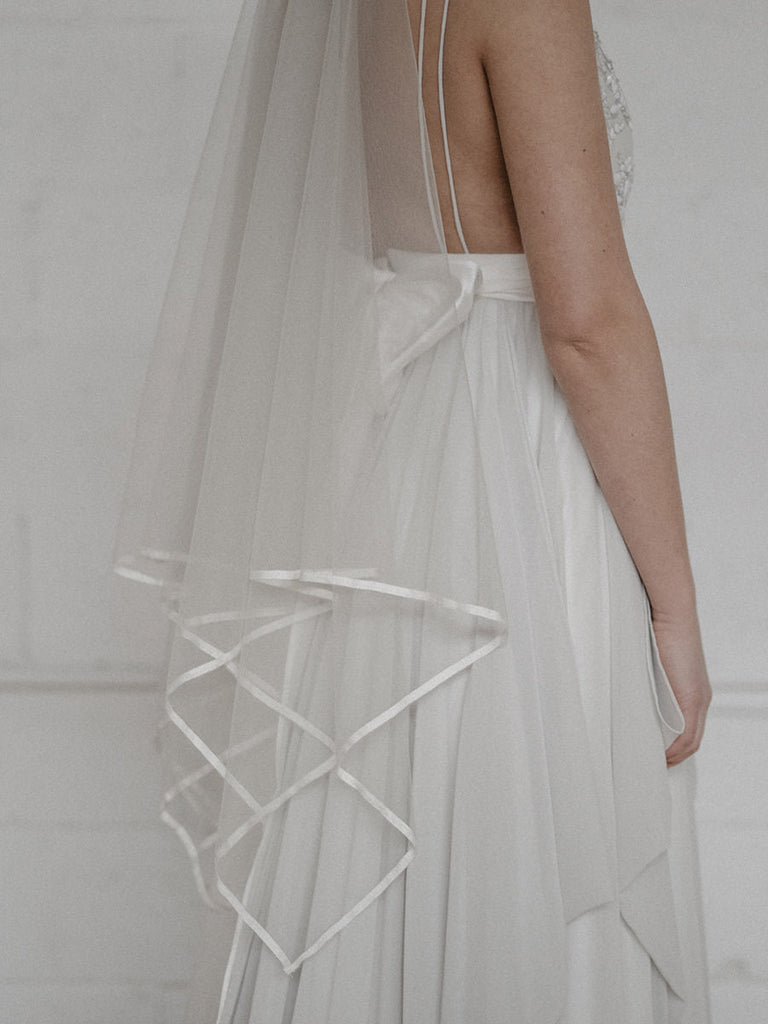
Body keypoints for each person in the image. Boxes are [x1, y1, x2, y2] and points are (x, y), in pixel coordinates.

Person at [114, 0, 712, 1020]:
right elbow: (586, 327)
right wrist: (676, 610)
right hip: (520, 469)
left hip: (399, 460)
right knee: (533, 822)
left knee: (386, 824)